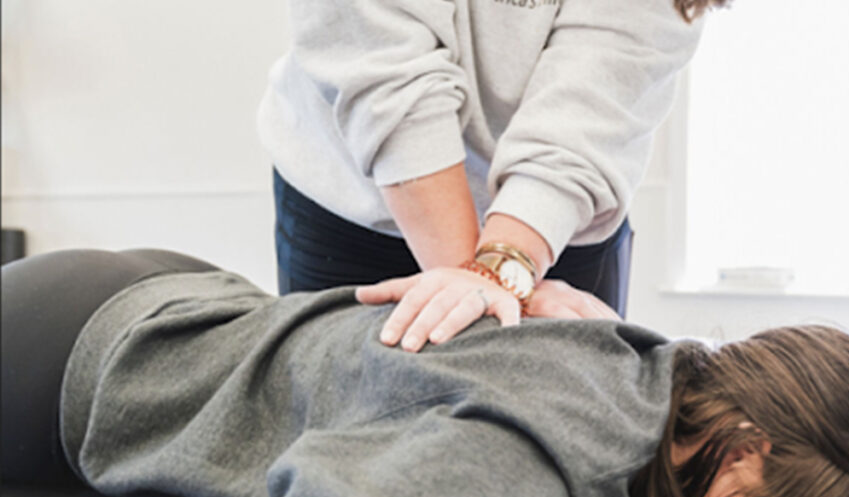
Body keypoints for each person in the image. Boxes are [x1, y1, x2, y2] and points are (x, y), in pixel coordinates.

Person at [1, 249, 849, 497]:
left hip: (174, 291)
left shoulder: (652, 363)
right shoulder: (539, 459)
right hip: (63, 369)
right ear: (746, 447)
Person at [261, 0, 728, 352]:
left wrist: (497, 276)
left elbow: (601, 88)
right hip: (361, 202)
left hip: (559, 218)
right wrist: (485, 286)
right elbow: (380, 57)